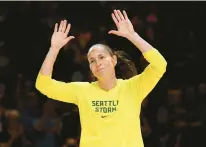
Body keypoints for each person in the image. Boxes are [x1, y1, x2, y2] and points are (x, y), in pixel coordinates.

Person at [35, 10, 167, 147]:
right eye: (92, 61)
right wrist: (54, 49)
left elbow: (160, 65)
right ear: (90, 68)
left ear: (114, 60)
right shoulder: (82, 91)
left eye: (102, 57)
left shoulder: (133, 87)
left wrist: (133, 36)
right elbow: (43, 84)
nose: (97, 63)